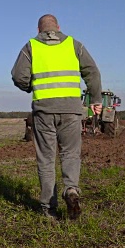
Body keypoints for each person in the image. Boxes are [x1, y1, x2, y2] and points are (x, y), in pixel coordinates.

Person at [11, 14, 103, 220]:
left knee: (46, 159)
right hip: (71, 111)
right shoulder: (74, 45)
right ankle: (71, 190)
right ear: (59, 28)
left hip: (44, 111)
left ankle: (49, 209)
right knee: (70, 154)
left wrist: (30, 87)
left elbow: (18, 76)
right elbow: (93, 73)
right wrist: (96, 100)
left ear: (38, 30)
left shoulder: (31, 47)